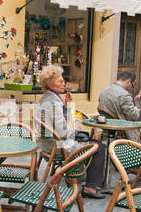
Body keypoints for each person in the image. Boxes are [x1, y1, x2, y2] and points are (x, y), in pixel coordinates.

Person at [35, 64, 106, 199]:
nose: (64, 84)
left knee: (92, 141)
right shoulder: (52, 102)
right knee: (99, 147)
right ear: (51, 84)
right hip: (58, 146)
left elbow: (60, 123)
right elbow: (63, 131)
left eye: (63, 81)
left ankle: (86, 176)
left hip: (49, 144)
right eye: (60, 81)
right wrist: (77, 133)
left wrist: (66, 104)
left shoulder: (48, 98)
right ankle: (90, 187)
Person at [98, 71, 141, 140]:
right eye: (132, 85)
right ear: (128, 82)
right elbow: (133, 116)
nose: (131, 88)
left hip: (106, 126)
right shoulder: (124, 95)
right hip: (121, 130)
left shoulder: (104, 91)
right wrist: (136, 110)